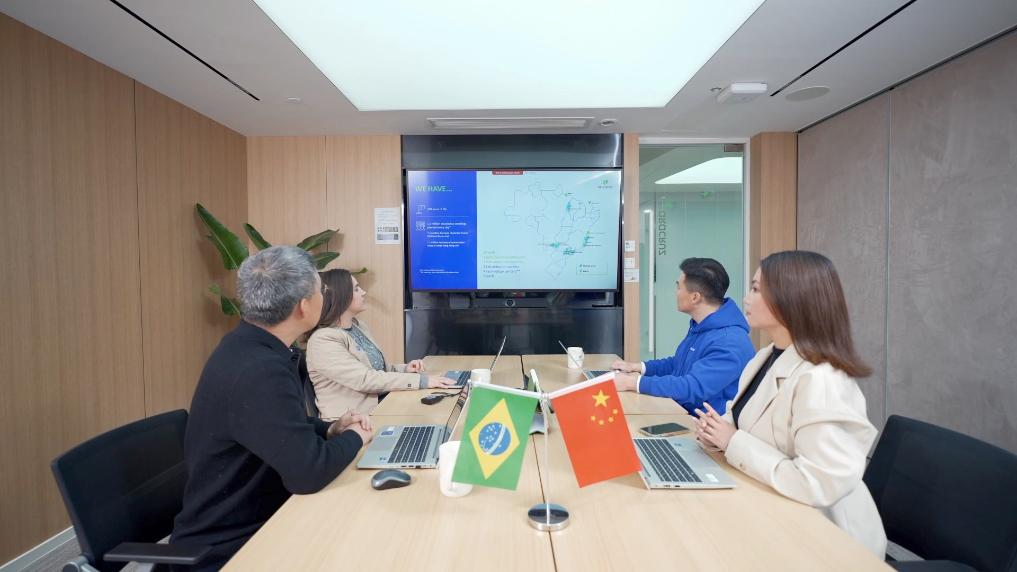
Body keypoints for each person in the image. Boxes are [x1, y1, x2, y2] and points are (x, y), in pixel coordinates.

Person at [171, 246, 373, 570]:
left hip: (264, 517)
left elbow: (275, 426)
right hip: (232, 548)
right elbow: (309, 473)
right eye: (321, 291)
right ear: (304, 306)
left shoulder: (248, 347)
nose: (325, 297)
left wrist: (330, 429)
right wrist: (356, 437)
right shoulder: (260, 370)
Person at [695, 250, 887, 557]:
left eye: (756, 289)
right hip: (769, 509)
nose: (745, 298)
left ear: (791, 298)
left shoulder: (824, 379)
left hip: (827, 541)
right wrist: (717, 430)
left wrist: (732, 441)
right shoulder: (765, 357)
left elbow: (817, 484)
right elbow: (744, 420)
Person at [612, 257, 755, 414]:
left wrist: (634, 382)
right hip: (683, 412)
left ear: (695, 297)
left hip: (703, 424)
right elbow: (678, 364)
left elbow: (692, 387)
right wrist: (638, 367)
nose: (676, 292)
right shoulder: (702, 326)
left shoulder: (729, 341)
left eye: (678, 287)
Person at [306, 269, 455, 419]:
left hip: (381, 405)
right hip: (351, 421)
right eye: (356, 289)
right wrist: (422, 381)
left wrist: (405, 369)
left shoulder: (358, 326)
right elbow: (365, 379)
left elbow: (379, 370)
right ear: (340, 296)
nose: (363, 292)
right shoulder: (323, 340)